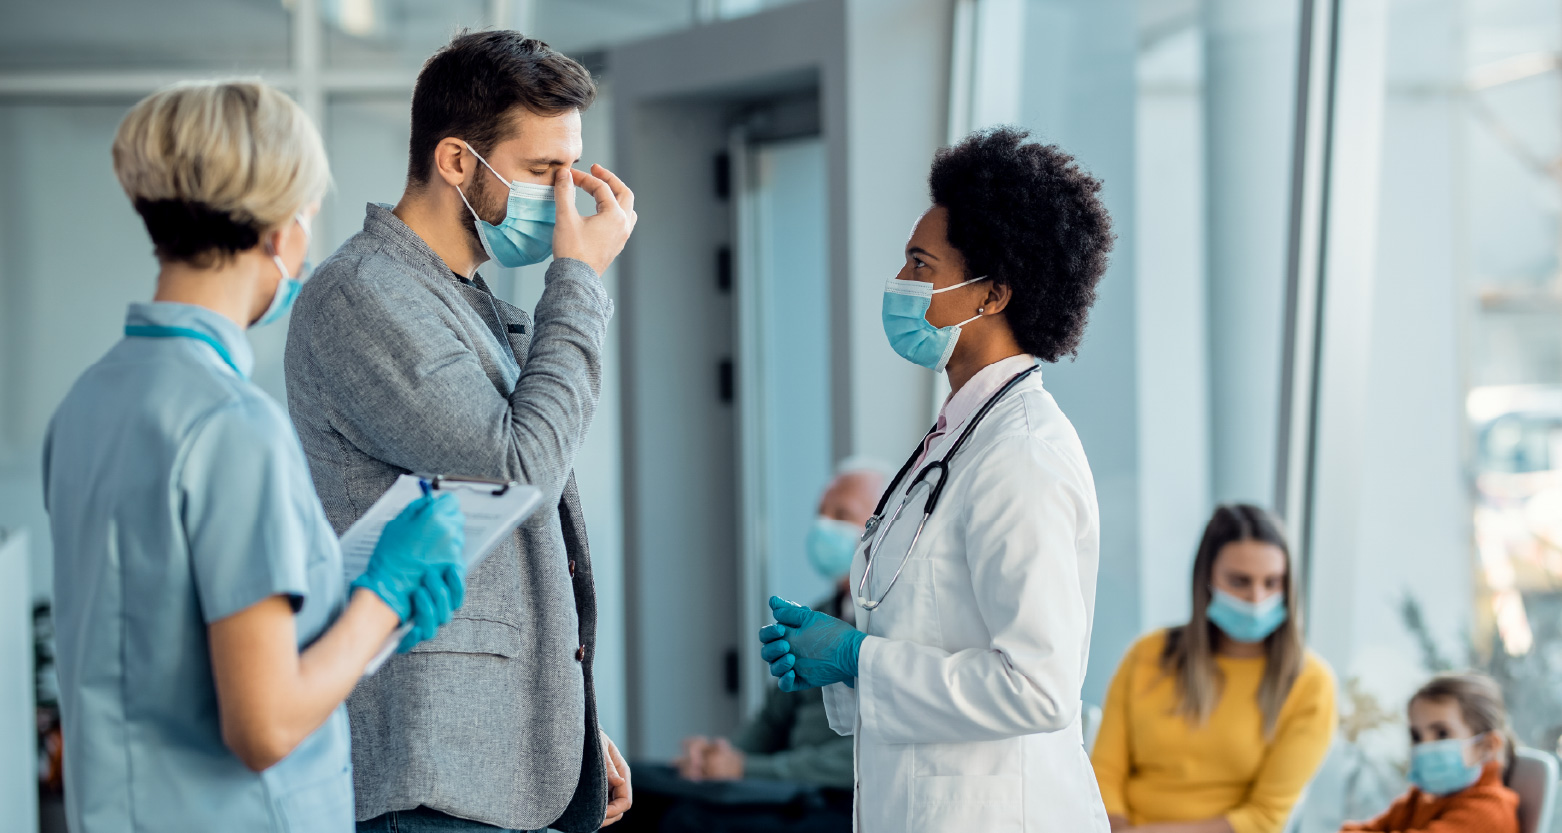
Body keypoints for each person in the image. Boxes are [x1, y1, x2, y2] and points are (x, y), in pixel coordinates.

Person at [42, 80, 468, 833]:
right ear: (282, 230)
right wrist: (386, 592)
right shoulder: (234, 424)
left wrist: (357, 605)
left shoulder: (88, 401)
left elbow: (157, 628)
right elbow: (264, 726)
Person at [284, 30, 636, 833]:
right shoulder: (363, 294)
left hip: (486, 764)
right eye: (544, 171)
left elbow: (514, 553)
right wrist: (578, 282)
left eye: (571, 169)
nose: (567, 197)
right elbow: (518, 469)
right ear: (455, 162)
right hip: (427, 778)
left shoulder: (466, 299)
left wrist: (567, 727)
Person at [756, 126, 1116, 832]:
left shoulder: (1024, 456)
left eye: (922, 263)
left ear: (993, 294)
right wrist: (844, 662)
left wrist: (862, 656)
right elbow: (935, 637)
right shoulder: (957, 440)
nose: (903, 282)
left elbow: (1038, 688)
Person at [624, 466, 885, 833]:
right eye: (820, 513)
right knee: (628, 792)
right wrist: (719, 758)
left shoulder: (888, 626)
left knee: (687, 822)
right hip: (782, 782)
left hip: (837, 799)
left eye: (841, 515)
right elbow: (773, 720)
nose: (823, 526)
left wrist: (745, 769)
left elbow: (863, 756)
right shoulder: (818, 616)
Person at [1091, 504, 1338, 833]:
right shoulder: (1148, 654)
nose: (1256, 597)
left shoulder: (1311, 684)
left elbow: (1263, 818)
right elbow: (1104, 773)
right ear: (1207, 578)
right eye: (1239, 581)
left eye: (1272, 583)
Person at [1340, 673, 1519, 833]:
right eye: (1416, 736)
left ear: (1486, 746)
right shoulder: (1420, 799)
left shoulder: (1488, 813)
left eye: (1442, 734)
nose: (1424, 746)